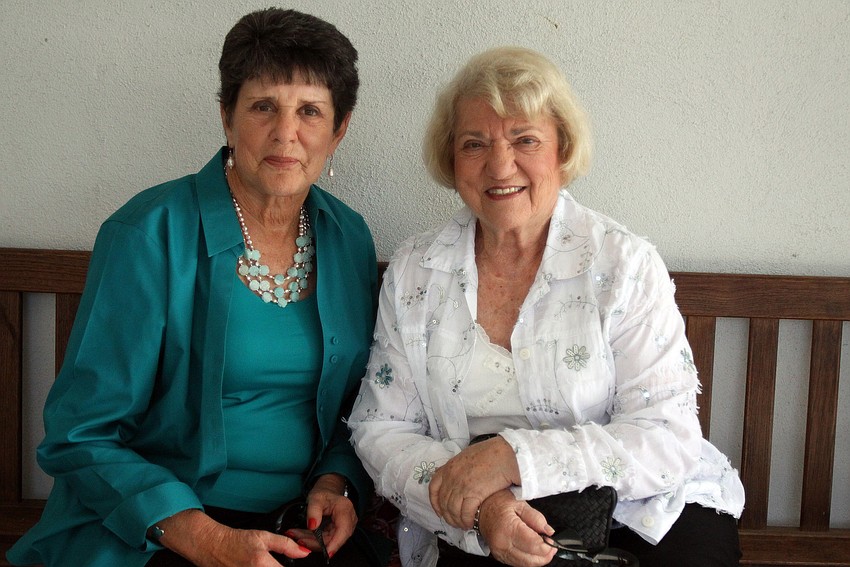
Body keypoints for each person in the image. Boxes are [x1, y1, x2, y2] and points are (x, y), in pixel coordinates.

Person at [8, 8, 386, 567]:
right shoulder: (148, 233)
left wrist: (336, 482)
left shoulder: (346, 235)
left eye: (310, 111)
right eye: (263, 107)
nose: (287, 133)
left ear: (340, 128)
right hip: (162, 529)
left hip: (297, 528)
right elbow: (79, 433)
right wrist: (207, 541)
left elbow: (361, 404)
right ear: (227, 118)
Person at [348, 46, 745, 567]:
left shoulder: (624, 265)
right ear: (451, 160)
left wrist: (511, 457)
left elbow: (665, 438)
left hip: (641, 516)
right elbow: (382, 428)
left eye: (525, 140)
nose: (499, 164)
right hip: (486, 525)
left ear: (562, 149)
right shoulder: (415, 272)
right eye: (475, 144)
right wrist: (482, 506)